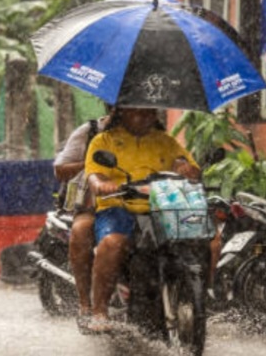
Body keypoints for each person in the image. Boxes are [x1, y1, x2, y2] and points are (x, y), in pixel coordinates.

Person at [82, 107, 200, 333]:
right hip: (118, 208)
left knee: (205, 239)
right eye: (140, 112)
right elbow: (94, 176)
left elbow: (184, 164)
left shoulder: (166, 141)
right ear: (123, 112)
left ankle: (197, 296)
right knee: (112, 243)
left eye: (151, 112)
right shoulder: (103, 141)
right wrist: (101, 185)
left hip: (162, 208)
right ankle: (99, 311)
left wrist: (186, 169)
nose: (147, 116)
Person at [52, 112, 111, 319]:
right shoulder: (90, 132)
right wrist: (90, 166)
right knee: (81, 231)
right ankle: (86, 305)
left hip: (138, 203)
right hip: (91, 205)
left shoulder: (153, 134)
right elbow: (60, 170)